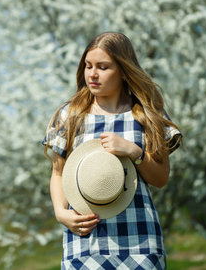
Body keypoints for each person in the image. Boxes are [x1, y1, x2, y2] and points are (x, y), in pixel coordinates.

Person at [43, 32, 181, 269]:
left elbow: (161, 178)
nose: (92, 74)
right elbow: (58, 173)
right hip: (85, 243)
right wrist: (60, 213)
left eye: (103, 67)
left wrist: (134, 152)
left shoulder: (146, 115)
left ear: (123, 70)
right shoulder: (71, 116)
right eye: (88, 66)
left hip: (140, 241)